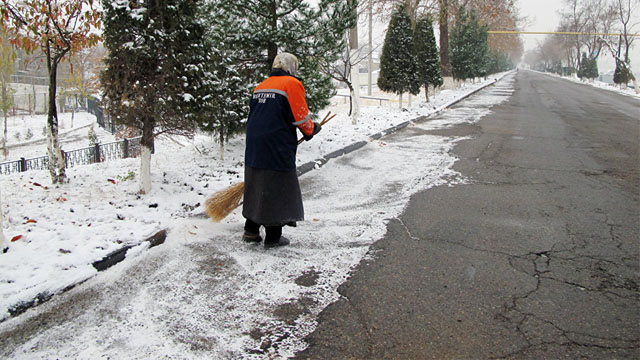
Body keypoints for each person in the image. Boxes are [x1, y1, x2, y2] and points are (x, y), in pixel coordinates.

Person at [242, 52, 321, 248]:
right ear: (291, 68)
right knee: (276, 185)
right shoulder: (291, 84)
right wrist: (311, 129)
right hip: (276, 143)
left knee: (256, 181)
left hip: (254, 143)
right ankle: (273, 236)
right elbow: (300, 115)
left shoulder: (260, 86)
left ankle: (251, 230)